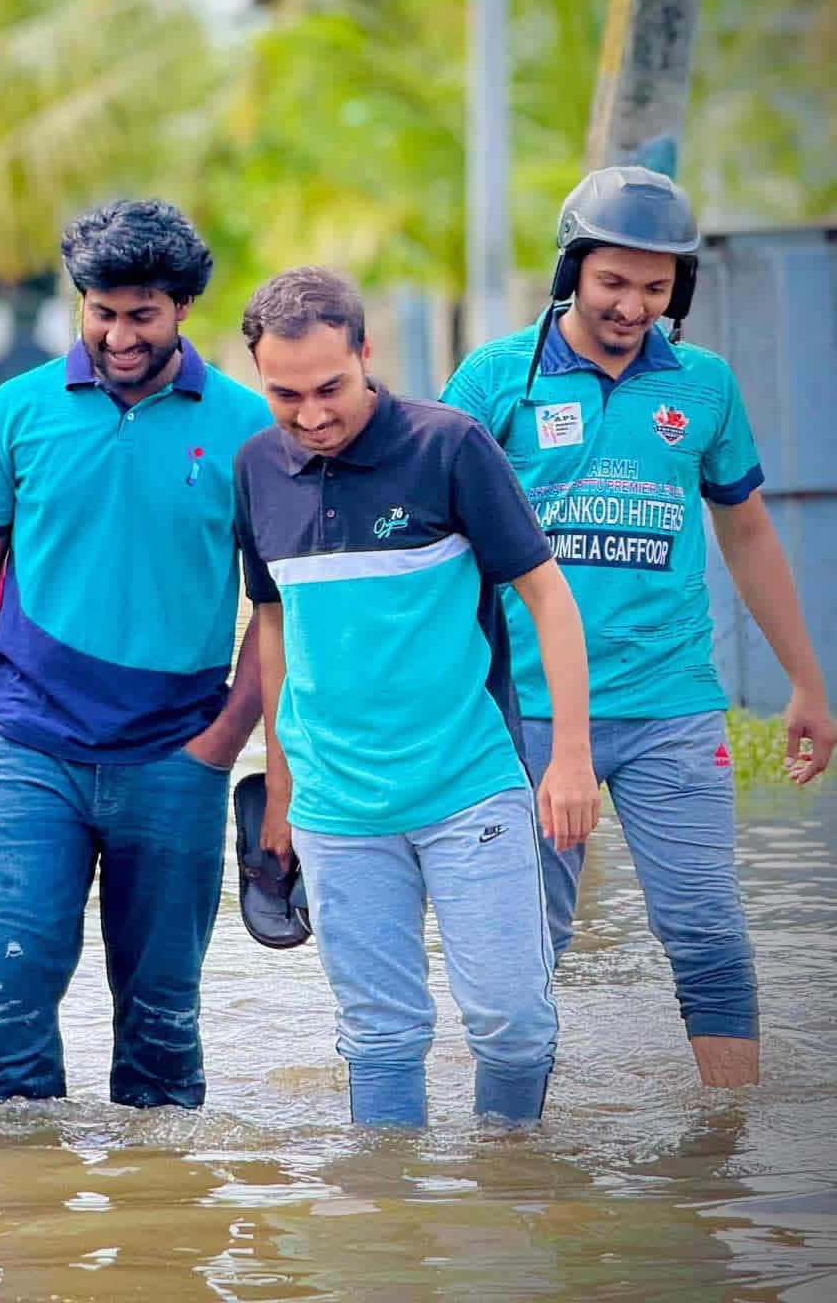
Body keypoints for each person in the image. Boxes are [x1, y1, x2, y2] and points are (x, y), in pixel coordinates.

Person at [443, 166, 833, 1090]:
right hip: (525, 711)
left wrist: (808, 684)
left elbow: (747, 532)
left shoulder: (705, 386)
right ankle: (512, 1144)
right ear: (570, 270)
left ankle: (731, 1137)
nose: (631, 306)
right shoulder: (495, 380)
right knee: (526, 940)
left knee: (708, 930)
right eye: (612, 282)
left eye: (656, 288)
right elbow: (437, 538)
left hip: (672, 705)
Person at [0, 199, 270, 1108]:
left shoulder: (248, 430)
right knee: (8, 999)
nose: (119, 336)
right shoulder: (15, 411)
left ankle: (155, 1198)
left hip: (176, 756)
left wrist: (223, 744)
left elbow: (276, 612)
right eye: (102, 311)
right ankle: (22, 1189)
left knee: (162, 1020)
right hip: (27, 744)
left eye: (142, 315)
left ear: (183, 307)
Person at [235, 266, 597, 1127]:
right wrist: (280, 789)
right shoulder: (256, 469)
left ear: (367, 353)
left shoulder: (450, 446)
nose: (312, 416)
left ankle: (515, 1181)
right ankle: (387, 1201)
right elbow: (275, 625)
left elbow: (549, 597)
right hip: (335, 807)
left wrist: (571, 758)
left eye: (330, 387)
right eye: (286, 395)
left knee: (513, 1025)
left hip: (468, 785)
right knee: (380, 1036)